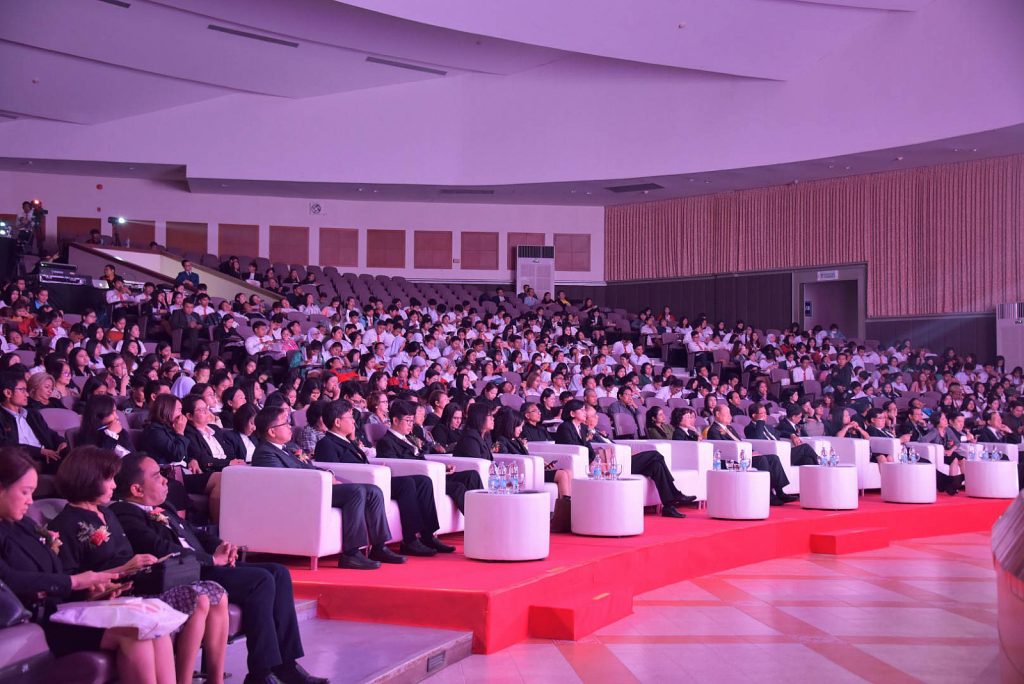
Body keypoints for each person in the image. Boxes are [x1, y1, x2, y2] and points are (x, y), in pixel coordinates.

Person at [111, 453, 328, 684]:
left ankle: (287, 665)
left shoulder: (163, 507)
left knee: (279, 572)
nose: (165, 480)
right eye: (157, 476)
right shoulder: (125, 514)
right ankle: (261, 673)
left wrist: (222, 546)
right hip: (186, 573)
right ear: (136, 489)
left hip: (205, 564)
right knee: (260, 580)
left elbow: (195, 533)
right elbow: (161, 548)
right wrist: (212, 560)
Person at [48, 447, 229, 684]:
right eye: (109, 479)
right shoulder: (64, 524)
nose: (114, 486)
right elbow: (69, 581)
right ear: (89, 480)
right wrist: (120, 571)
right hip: (109, 597)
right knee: (195, 601)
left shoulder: (106, 514)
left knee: (214, 592)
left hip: (133, 586)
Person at [0, 447, 178, 684]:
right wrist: (76, 582)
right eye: (24, 492)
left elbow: (55, 573)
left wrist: (91, 591)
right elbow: (10, 580)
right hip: (37, 621)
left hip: (61, 609)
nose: (31, 501)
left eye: (32, 492)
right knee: (136, 633)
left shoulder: (24, 525)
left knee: (155, 627)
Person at [250, 405, 402, 570]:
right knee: (356, 492)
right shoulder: (265, 453)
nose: (289, 427)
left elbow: (308, 467)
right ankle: (351, 554)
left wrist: (329, 474)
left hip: (315, 487)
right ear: (272, 431)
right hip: (302, 493)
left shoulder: (287, 448)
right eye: (285, 424)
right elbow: (282, 482)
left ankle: (379, 547)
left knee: (373, 490)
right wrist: (324, 480)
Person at [314, 399, 454, 556]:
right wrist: (370, 471)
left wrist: (374, 468)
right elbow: (332, 470)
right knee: (407, 483)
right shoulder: (326, 443)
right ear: (337, 422)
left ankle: (428, 535)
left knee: (423, 481)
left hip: (372, 478)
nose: (354, 421)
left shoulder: (347, 441)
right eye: (350, 417)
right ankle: (410, 540)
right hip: (360, 483)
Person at [373, 401, 483, 514]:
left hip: (430, 472)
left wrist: (441, 468)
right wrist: (429, 468)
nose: (411, 424)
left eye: (412, 421)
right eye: (408, 421)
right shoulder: (386, 442)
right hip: (420, 478)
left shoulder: (409, 438)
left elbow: (424, 456)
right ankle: (477, 518)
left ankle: (485, 512)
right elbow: (396, 468)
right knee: (458, 487)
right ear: (396, 420)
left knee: (471, 475)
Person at [706, 403, 795, 506]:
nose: (730, 416)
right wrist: (747, 453)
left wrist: (752, 451)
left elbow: (740, 442)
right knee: (762, 460)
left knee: (773, 458)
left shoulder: (729, 428)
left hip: (743, 455)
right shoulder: (713, 430)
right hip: (732, 459)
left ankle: (780, 492)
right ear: (717, 414)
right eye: (727, 413)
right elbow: (723, 448)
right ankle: (768, 494)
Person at [0, 371, 68, 474]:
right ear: (8, 393)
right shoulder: (2, 417)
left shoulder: (32, 414)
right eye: (22, 390)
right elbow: (5, 445)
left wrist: (62, 442)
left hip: (46, 459)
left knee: (74, 454)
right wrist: (40, 451)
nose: (27, 394)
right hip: (19, 462)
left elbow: (50, 433)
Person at [493, 407, 570, 498]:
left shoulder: (517, 440)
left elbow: (525, 455)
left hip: (531, 471)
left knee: (568, 471)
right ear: (510, 425)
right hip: (523, 473)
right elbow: (505, 460)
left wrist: (540, 465)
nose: (521, 430)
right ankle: (565, 505)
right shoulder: (501, 440)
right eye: (519, 427)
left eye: (522, 427)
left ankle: (570, 503)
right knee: (562, 475)